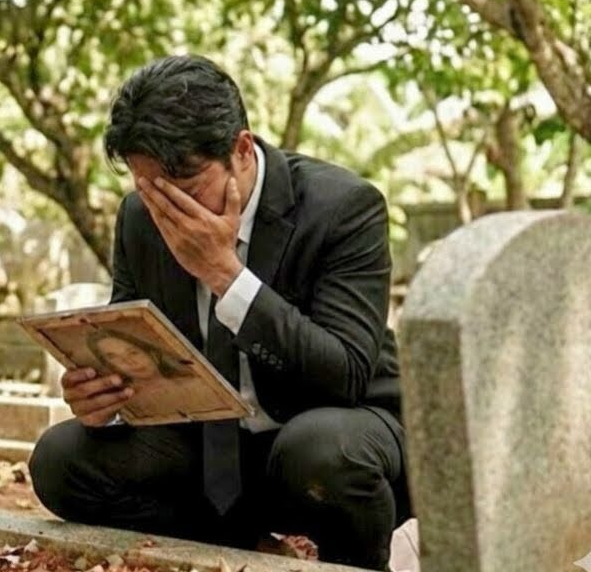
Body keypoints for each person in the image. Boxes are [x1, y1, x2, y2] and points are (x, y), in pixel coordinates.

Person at [28, 55, 407, 570]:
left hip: (334, 435)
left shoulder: (344, 207)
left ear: (242, 151)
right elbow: (136, 341)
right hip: (210, 449)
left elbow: (346, 373)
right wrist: (105, 396)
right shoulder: (139, 218)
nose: (169, 211)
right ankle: (238, 547)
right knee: (59, 460)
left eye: (186, 191)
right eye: (150, 189)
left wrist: (225, 275)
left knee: (320, 451)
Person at [86, 328, 192, 394]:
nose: (129, 362)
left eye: (133, 353)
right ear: (109, 365)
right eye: (114, 357)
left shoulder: (190, 383)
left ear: (153, 353)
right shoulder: (122, 396)